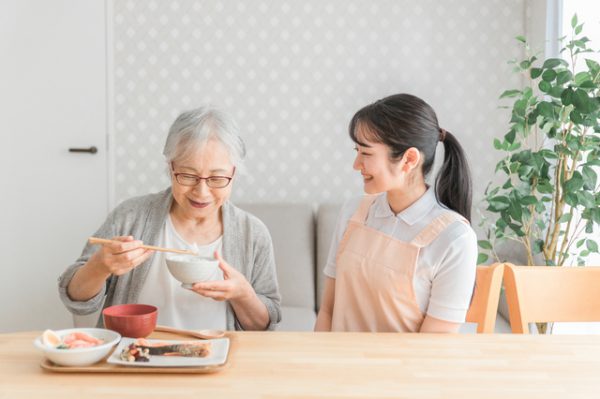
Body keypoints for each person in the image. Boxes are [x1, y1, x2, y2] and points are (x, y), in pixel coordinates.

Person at [59, 106, 281, 331]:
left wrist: (243, 293)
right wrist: (100, 265)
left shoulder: (253, 233)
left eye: (216, 178)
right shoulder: (130, 217)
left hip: (218, 361)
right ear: (170, 167)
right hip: (135, 359)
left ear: (233, 173)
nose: (202, 192)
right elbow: (75, 300)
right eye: (188, 175)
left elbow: (265, 326)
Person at [315, 93, 477, 333]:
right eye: (356, 150)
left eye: (366, 153)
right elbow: (327, 310)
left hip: (404, 369)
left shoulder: (454, 239)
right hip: (338, 365)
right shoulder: (354, 211)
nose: (356, 164)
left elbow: (434, 346)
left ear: (409, 159)